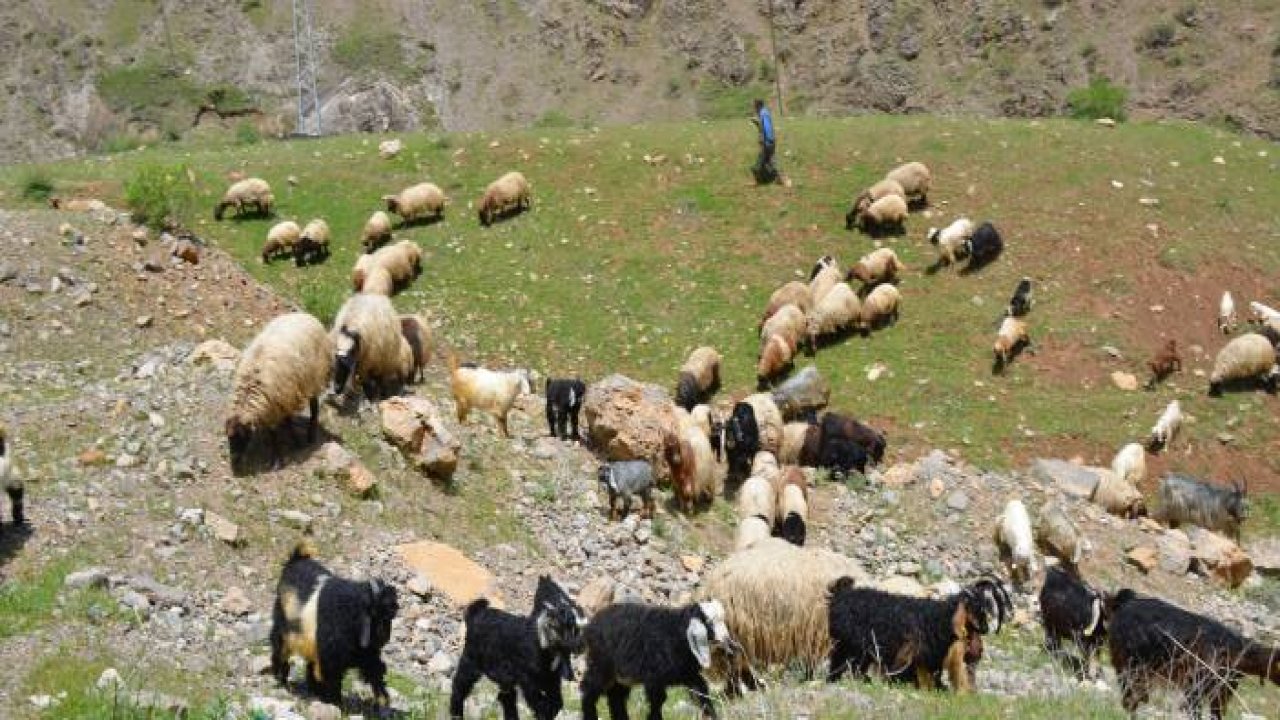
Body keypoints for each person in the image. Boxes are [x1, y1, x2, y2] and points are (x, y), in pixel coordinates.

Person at [751, 98, 779, 185]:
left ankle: (760, 182)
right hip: (768, 143)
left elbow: (767, 128)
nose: (753, 108)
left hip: (768, 143)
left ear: (758, 106)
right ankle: (776, 179)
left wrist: (768, 141)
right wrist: (757, 124)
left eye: (754, 106)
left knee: (759, 165)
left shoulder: (764, 114)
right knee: (768, 162)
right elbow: (763, 127)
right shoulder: (763, 113)